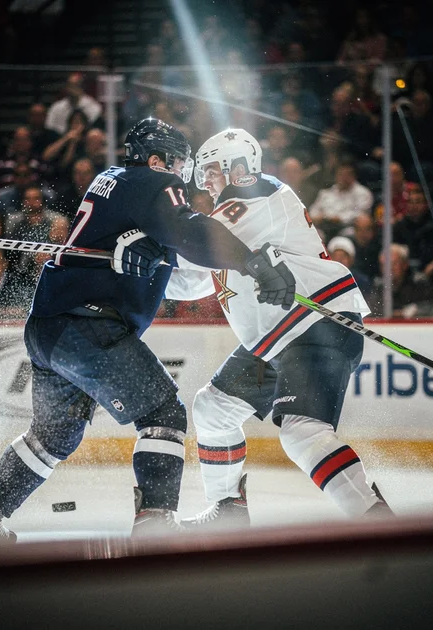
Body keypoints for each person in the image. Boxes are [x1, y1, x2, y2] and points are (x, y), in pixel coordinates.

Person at [0, 118, 297, 545]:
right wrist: (252, 260)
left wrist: (174, 255)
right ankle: (154, 526)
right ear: (156, 160)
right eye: (178, 163)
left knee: (54, 436)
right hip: (88, 325)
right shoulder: (153, 182)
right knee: (163, 414)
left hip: (50, 327)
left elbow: (181, 270)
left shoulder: (111, 180)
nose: (182, 173)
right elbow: (189, 230)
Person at [162, 128, 393, 532]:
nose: (209, 183)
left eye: (213, 171)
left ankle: (377, 523)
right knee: (213, 409)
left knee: (302, 432)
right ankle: (228, 512)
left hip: (313, 324)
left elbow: (202, 249)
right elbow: (191, 279)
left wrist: (150, 248)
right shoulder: (229, 227)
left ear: (238, 168)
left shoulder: (254, 192)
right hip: (276, 341)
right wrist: (134, 270)